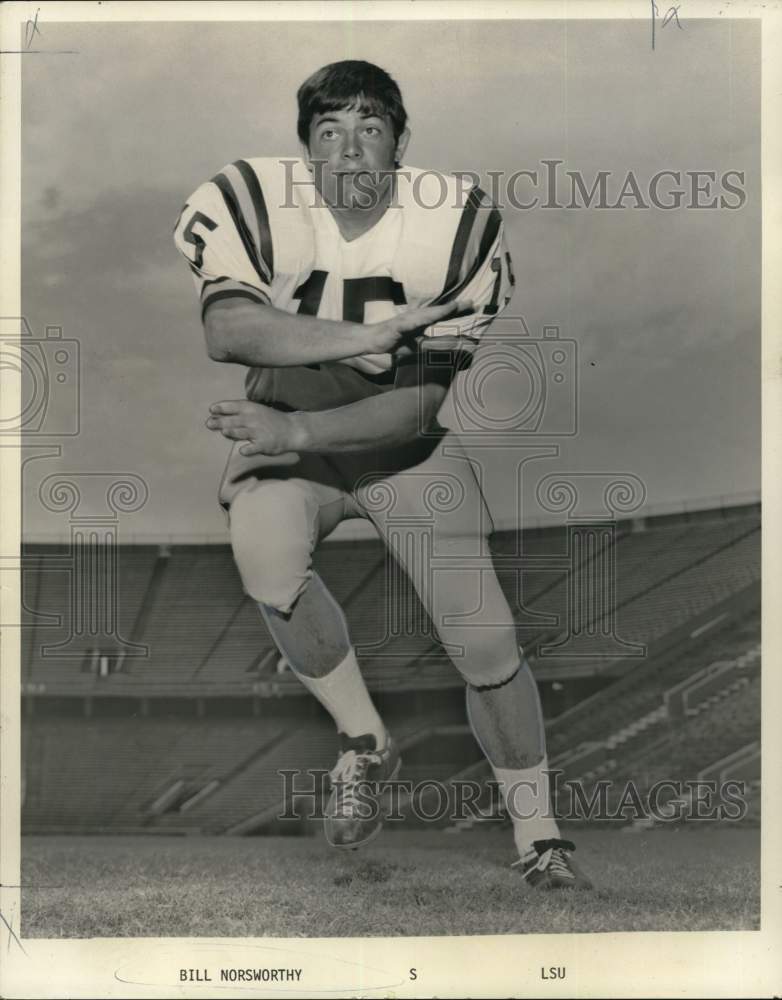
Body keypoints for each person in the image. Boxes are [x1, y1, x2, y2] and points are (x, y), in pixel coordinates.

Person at [173, 59, 591, 889]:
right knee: (264, 552)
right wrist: (364, 339)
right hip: (293, 444)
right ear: (304, 150)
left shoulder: (458, 224)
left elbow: (410, 409)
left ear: (401, 143)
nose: (350, 150)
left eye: (371, 129)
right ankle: (364, 740)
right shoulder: (251, 198)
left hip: (402, 451)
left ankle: (538, 838)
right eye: (328, 131)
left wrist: (295, 423)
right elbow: (230, 332)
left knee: (485, 640)